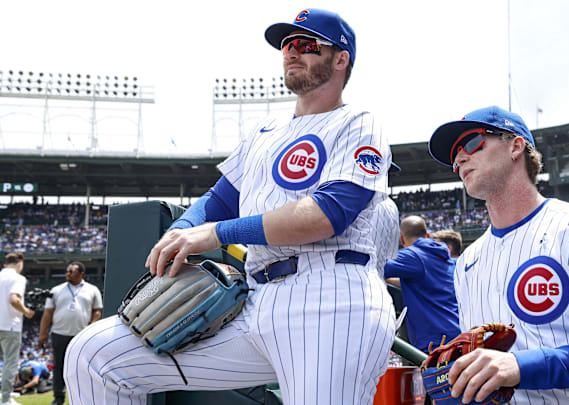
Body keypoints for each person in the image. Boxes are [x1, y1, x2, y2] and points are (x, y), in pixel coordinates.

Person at [64, 8, 396, 405]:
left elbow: (327, 214)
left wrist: (217, 233)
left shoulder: (359, 122)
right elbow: (220, 199)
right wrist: (181, 230)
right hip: (257, 298)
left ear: (341, 59)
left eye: (306, 45)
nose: (292, 52)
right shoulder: (264, 131)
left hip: (331, 298)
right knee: (97, 356)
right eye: (287, 45)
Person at [428, 105, 569, 404]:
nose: (459, 158)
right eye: (454, 155)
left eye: (472, 142)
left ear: (516, 146)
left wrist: (523, 366)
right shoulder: (467, 263)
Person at [384, 216, 461, 353]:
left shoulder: (413, 256)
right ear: (427, 235)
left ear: (402, 239)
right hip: (457, 334)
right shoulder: (442, 256)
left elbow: (375, 266)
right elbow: (424, 283)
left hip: (436, 343)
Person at [38, 262, 102, 405]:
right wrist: (43, 333)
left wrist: (91, 327)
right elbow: (48, 313)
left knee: (81, 367)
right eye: (67, 271)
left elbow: (97, 311)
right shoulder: (56, 290)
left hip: (81, 335)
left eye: (71, 271)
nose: (67, 274)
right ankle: (58, 398)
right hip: (59, 333)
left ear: (81, 273)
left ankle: (83, 398)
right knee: (59, 366)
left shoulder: (92, 290)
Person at [0, 252, 35, 405]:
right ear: (20, 264)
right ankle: (6, 399)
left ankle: (8, 393)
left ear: (5, 264)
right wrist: (26, 311)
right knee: (10, 362)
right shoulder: (18, 278)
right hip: (10, 325)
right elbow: (14, 299)